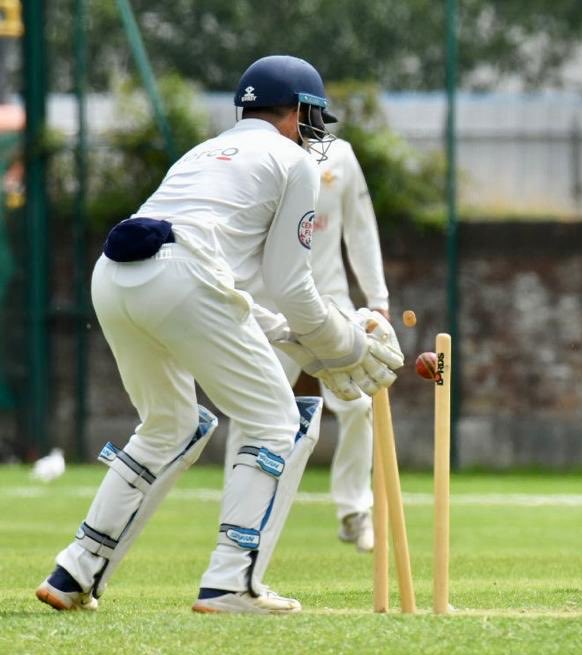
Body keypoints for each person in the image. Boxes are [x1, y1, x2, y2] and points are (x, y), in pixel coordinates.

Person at [35, 55, 403, 615]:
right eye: (314, 118)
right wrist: (345, 346)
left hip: (114, 274)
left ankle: (74, 570)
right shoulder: (291, 160)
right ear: (300, 111)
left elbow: (225, 285)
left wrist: (297, 339)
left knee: (170, 426)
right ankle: (232, 582)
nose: (317, 132)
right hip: (181, 277)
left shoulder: (207, 151)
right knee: (276, 420)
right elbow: (291, 285)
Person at [223, 137, 389, 553]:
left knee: (359, 404)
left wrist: (378, 299)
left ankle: (354, 511)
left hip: (329, 301)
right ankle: (235, 518)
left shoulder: (340, 154)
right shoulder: (253, 150)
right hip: (268, 304)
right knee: (254, 411)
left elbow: (361, 227)